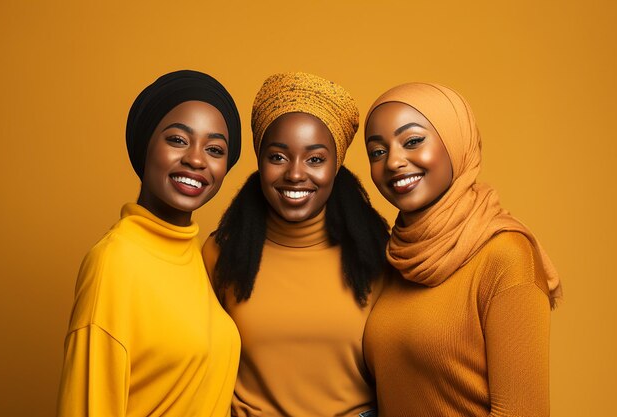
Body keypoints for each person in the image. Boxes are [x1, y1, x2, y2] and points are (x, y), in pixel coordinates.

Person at [362, 82, 563, 417]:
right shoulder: (397, 257)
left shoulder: (506, 256)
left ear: (455, 141)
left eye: (412, 141)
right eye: (377, 152)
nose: (394, 162)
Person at [202, 72, 389, 417]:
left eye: (315, 159)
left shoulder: (377, 255)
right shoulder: (219, 254)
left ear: (336, 166)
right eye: (278, 157)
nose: (295, 174)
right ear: (260, 161)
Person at [57, 70, 242, 417]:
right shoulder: (115, 261)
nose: (197, 160)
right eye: (177, 139)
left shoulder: (198, 258)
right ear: (146, 145)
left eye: (214, 148)